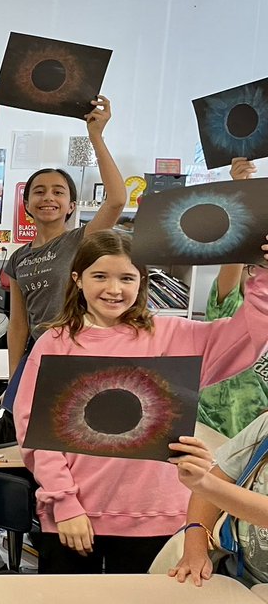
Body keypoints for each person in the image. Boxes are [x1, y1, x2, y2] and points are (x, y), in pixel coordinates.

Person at [14, 230, 268, 574]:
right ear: (77, 279)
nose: (114, 289)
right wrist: (63, 501)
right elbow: (34, 429)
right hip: (75, 516)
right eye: (100, 276)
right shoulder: (56, 343)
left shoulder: (173, 336)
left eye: (127, 278)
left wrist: (264, 272)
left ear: (142, 281)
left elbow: (247, 334)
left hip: (159, 517)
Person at [4, 96, 125, 378]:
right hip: (40, 355)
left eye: (58, 191)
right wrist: (13, 377)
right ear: (27, 203)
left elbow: (117, 200)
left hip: (80, 356)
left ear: (71, 206)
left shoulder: (83, 240)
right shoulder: (18, 258)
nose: (48, 197)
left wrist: (96, 136)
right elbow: (19, 325)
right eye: (39, 191)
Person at [197, 158, 268, 438]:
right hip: (209, 429)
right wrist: (242, 190)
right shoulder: (229, 305)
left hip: (256, 438)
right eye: (253, 269)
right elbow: (236, 251)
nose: (257, 278)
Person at [168, 415, 268, 587]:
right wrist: (195, 547)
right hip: (235, 577)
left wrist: (205, 483)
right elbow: (217, 480)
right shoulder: (264, 425)